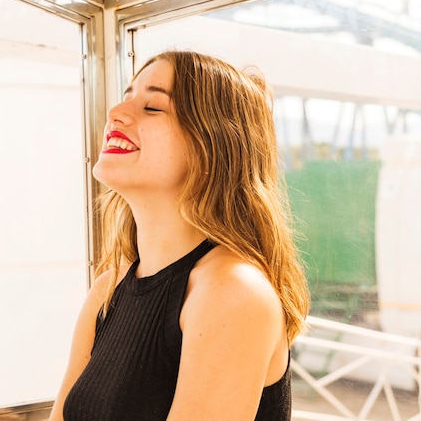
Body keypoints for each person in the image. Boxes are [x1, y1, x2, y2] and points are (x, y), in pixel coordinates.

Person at [49, 50, 309, 421]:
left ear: (213, 145)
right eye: (126, 97)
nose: (115, 114)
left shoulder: (232, 291)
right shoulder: (108, 288)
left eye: (153, 107)